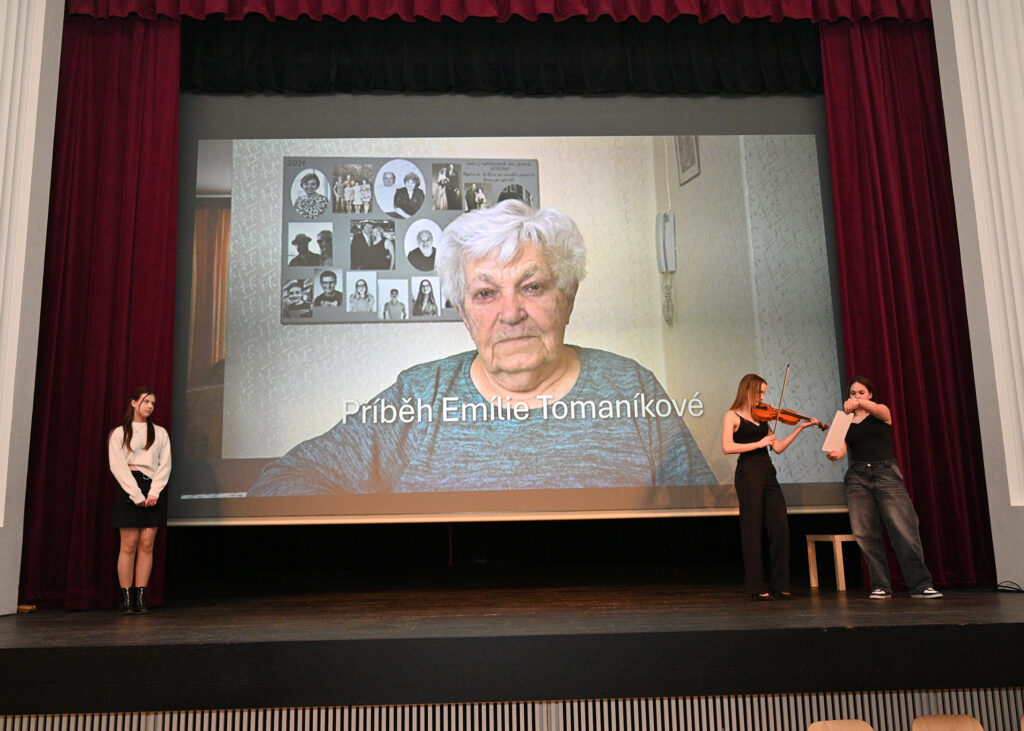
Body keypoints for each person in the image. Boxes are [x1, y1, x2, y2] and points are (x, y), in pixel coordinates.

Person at [248, 199, 715, 496]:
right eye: (486, 293)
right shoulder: (419, 396)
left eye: (532, 287)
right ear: (463, 312)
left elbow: (705, 518)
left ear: (568, 296)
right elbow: (280, 483)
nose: (510, 313)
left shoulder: (632, 387)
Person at [826, 376, 942, 599]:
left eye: (861, 392)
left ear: (870, 394)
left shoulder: (881, 411)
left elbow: (882, 412)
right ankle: (880, 585)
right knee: (865, 533)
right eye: (852, 393)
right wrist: (835, 455)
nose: (856, 396)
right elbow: (840, 449)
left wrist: (859, 403)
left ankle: (920, 585)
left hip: (886, 473)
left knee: (904, 529)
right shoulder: (844, 420)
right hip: (858, 476)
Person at [722, 374, 819, 600]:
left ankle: (780, 583)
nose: (763, 397)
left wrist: (800, 428)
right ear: (748, 390)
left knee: (779, 526)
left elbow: (779, 447)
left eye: (764, 393)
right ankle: (757, 586)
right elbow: (727, 447)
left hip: (768, 473)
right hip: (748, 474)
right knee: (752, 528)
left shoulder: (762, 417)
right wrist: (758, 443)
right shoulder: (732, 415)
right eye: (760, 392)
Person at [108, 387, 171, 614]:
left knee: (147, 544)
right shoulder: (119, 432)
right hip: (129, 488)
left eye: (152, 403)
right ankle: (126, 599)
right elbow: (117, 466)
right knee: (129, 545)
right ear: (134, 403)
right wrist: (135, 494)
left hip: (152, 488)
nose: (149, 406)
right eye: (145, 401)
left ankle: (140, 597)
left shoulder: (160, 433)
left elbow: (165, 465)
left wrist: (154, 492)